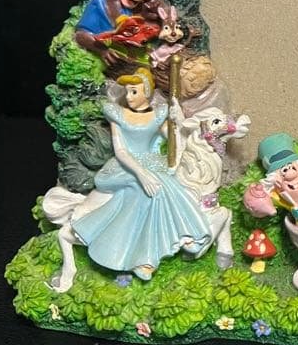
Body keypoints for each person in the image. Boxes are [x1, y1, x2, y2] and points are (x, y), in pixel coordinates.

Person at [71, 68, 211, 280]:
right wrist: (141, 174)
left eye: (134, 91)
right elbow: (121, 151)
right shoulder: (117, 114)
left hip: (151, 161)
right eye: (127, 91)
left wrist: (178, 121)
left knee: (166, 185)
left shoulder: (158, 115)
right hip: (126, 165)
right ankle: (142, 258)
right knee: (142, 189)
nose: (129, 96)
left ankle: (184, 233)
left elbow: (175, 141)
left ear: (146, 92)